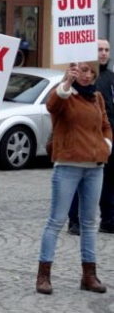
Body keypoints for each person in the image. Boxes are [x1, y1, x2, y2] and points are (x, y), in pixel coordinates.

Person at [36, 61, 112, 295]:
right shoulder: (65, 94)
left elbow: (106, 125)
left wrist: (106, 145)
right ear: (73, 72)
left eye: (89, 71)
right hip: (68, 165)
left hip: (94, 167)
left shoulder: (97, 97)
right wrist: (67, 82)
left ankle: (89, 275)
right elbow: (51, 105)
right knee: (56, 221)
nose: (86, 75)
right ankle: (43, 275)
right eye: (81, 71)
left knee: (89, 223)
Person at [67, 39, 114, 235]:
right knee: (79, 181)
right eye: (99, 50)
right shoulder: (83, 78)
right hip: (83, 139)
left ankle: (108, 219)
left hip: (106, 137)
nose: (103, 53)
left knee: (109, 181)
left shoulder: (111, 77)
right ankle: (74, 221)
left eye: (106, 50)